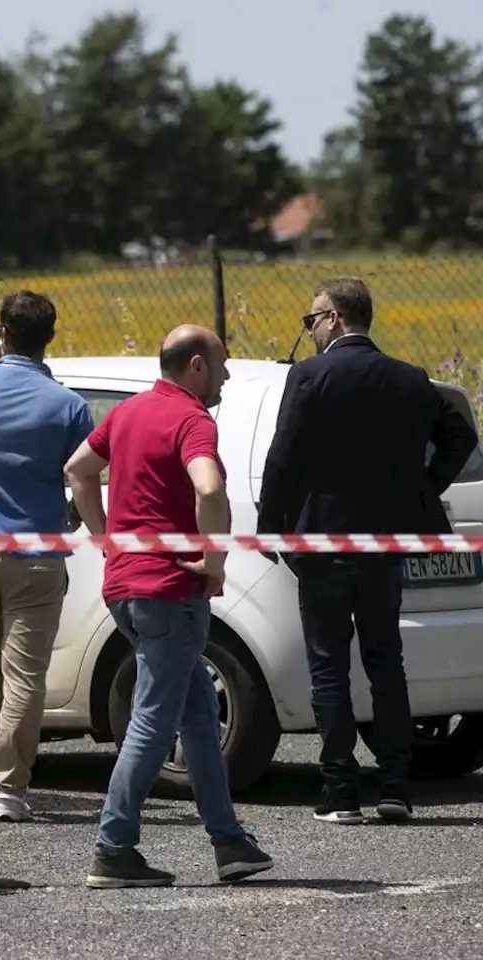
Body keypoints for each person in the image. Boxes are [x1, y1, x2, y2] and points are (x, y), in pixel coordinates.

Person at [256, 278, 477, 825]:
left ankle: (340, 790)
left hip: (324, 543)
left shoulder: (309, 376)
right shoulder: (407, 378)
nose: (308, 331)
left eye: (311, 321)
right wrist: (425, 488)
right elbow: (462, 437)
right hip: (386, 543)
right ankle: (396, 786)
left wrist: (270, 527)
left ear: (332, 318)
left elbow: (283, 455)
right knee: (386, 662)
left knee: (329, 666)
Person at [65, 324, 273, 889]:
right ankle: (114, 848)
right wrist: (214, 563)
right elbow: (208, 489)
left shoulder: (128, 413)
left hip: (126, 589)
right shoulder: (192, 420)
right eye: (223, 364)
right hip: (170, 591)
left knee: (199, 713)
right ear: (198, 366)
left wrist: (106, 538)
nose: (227, 375)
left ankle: (229, 842)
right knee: (154, 719)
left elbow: (77, 471)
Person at [0, 291, 93, 823]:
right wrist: (75, 512)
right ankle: (11, 787)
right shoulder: (69, 406)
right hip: (39, 555)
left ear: (2, 331)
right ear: (50, 336)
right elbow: (87, 468)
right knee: (25, 674)